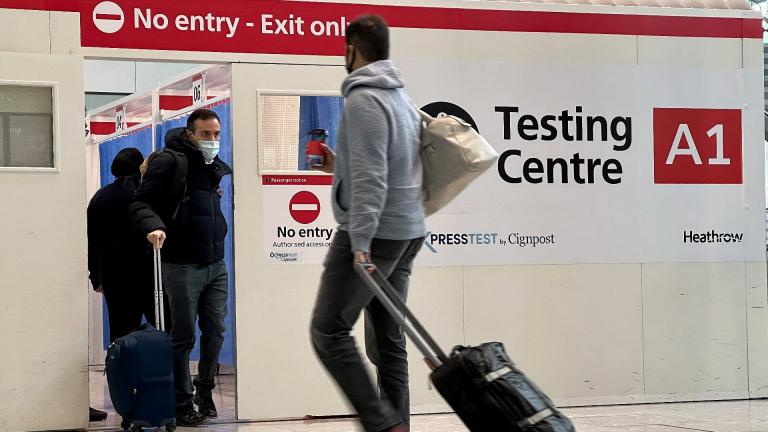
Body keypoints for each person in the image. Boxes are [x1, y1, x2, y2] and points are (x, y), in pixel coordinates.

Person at [309, 15, 426, 432]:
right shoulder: (401, 98)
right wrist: (337, 167)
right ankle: (398, 424)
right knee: (388, 342)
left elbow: (374, 179)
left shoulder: (363, 100)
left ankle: (382, 423)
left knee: (329, 330)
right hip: (407, 230)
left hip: (375, 234)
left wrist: (359, 242)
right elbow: (390, 168)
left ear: (351, 49)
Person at [130, 109, 232, 426]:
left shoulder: (210, 166)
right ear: (190, 133)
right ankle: (180, 400)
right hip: (181, 264)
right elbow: (139, 202)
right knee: (183, 336)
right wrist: (153, 227)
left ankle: (205, 391)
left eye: (216, 134)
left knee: (215, 331)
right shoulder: (170, 160)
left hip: (215, 264)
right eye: (205, 134)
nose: (212, 140)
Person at [87, 147, 156, 422]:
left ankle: (123, 395)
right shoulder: (143, 195)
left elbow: (93, 242)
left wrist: (97, 276)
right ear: (139, 166)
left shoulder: (99, 197)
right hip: (146, 274)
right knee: (161, 330)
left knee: (121, 337)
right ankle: (157, 390)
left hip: (115, 276)